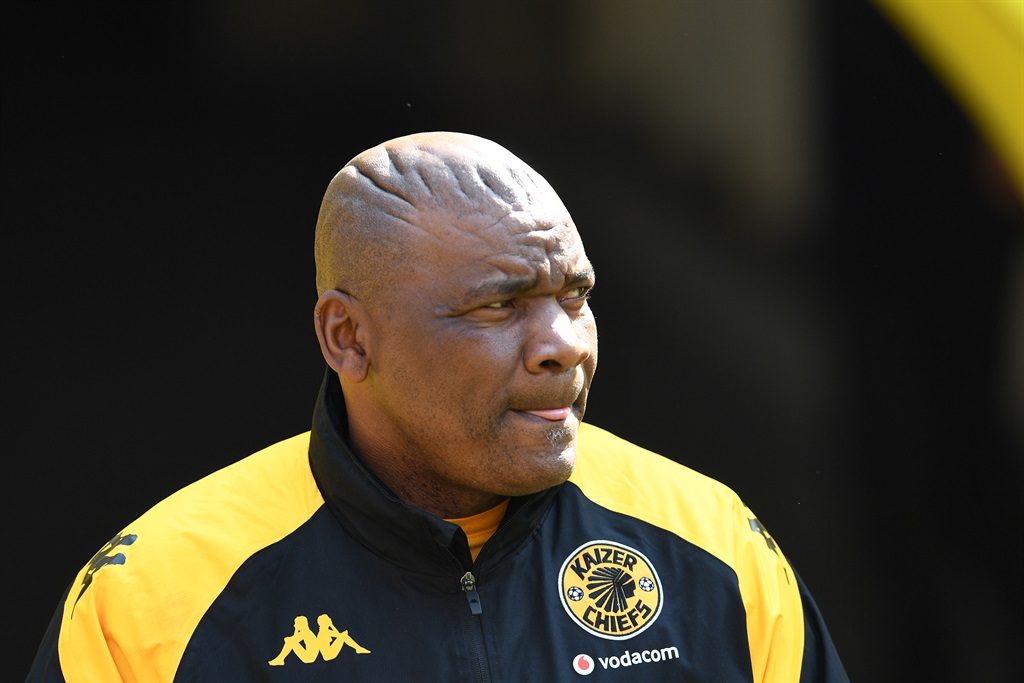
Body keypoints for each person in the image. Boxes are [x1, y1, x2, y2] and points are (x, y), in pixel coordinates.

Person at [27, 131, 849, 682]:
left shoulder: (712, 551)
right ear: (347, 336)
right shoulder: (151, 604)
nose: (563, 342)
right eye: (500, 305)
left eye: (577, 294)